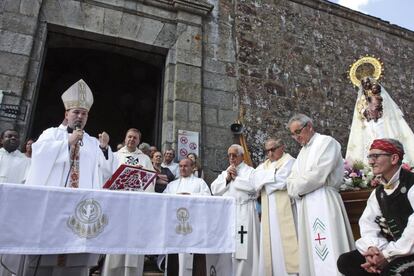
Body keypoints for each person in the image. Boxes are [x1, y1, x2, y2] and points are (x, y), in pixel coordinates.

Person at [22, 79, 116, 276]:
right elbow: (38, 155)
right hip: (53, 209)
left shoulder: (91, 142)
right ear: (66, 114)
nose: (80, 116)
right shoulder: (52, 134)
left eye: (84, 113)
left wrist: (105, 148)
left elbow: (106, 170)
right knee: (42, 265)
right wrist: (66, 142)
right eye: (76, 112)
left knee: (75, 265)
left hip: (81, 211)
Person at [286, 114, 354, 276]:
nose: (296, 137)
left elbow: (318, 175)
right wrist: (295, 187)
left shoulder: (327, 143)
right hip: (306, 204)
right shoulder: (302, 153)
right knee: (312, 249)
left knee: (331, 243)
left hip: (324, 199)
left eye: (298, 132)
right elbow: (290, 181)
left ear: (309, 126)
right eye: (293, 134)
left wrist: (296, 188)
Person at [337, 138, 414, 275]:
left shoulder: (411, 184)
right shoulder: (378, 193)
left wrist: (387, 255)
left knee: (394, 271)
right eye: (370, 157)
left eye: (376, 156)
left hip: (408, 250)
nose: (371, 162)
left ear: (394, 158)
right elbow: (368, 224)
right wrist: (372, 248)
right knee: (346, 261)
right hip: (392, 250)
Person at [103, 129, 155, 276]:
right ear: (125, 138)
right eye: (129, 137)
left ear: (139, 141)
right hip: (118, 205)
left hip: (137, 206)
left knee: (134, 239)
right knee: (115, 238)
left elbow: (150, 181)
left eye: (135, 138)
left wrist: (139, 174)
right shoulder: (114, 156)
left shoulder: (144, 159)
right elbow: (107, 177)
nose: (132, 139)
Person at [210, 144, 259, 276]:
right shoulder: (225, 172)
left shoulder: (250, 171)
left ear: (241, 156)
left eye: (234, 155)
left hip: (244, 212)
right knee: (228, 250)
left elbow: (255, 188)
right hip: (228, 215)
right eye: (229, 155)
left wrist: (236, 178)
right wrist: (227, 179)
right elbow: (214, 190)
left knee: (243, 250)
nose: (231, 158)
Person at [253, 138, 299, 276]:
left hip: (285, 210)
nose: (270, 153)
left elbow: (282, 181)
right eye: (267, 150)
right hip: (268, 211)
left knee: (285, 242)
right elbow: (254, 180)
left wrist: (264, 181)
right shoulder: (264, 165)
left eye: (273, 149)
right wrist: (271, 176)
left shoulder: (290, 161)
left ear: (282, 147)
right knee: (270, 243)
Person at [346, 77, 414, 165]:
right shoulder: (362, 98)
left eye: (367, 82)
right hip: (368, 123)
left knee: (383, 139)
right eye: (364, 83)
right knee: (369, 142)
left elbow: (385, 108)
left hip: (381, 122)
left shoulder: (380, 95)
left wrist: (377, 110)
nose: (366, 85)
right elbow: (359, 110)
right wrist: (365, 112)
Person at [163, 158, 211, 276]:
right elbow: (163, 200)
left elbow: (208, 198)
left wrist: (191, 196)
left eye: (185, 166)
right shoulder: (172, 185)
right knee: (175, 261)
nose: (182, 168)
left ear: (192, 167)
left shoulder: (200, 183)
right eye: (180, 166)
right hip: (175, 227)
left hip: (194, 227)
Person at [0, 129, 31, 276]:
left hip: (11, 210)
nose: (13, 138)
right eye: (9, 136)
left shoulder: (25, 161)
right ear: (1, 140)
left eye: (16, 136)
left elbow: (26, 184)